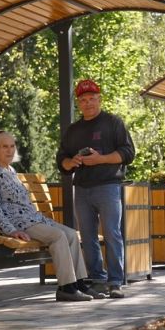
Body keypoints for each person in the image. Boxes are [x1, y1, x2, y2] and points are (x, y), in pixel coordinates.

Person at [0, 130, 105, 302]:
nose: (9, 150)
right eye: (4, 147)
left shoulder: (11, 170)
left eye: (12, 146)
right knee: (58, 236)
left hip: (33, 218)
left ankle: (79, 284)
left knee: (71, 235)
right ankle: (66, 288)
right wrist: (10, 230)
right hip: (19, 223)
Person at [56, 79, 135, 299]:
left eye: (92, 99)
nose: (88, 103)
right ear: (78, 104)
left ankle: (116, 281)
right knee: (88, 237)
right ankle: (97, 279)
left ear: (99, 99)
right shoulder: (73, 130)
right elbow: (61, 158)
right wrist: (70, 163)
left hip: (109, 186)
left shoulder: (113, 122)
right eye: (83, 100)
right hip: (81, 189)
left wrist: (100, 159)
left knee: (112, 233)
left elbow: (128, 153)